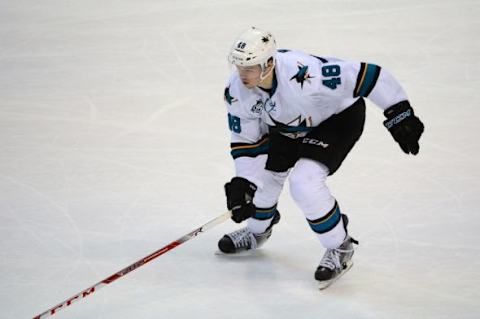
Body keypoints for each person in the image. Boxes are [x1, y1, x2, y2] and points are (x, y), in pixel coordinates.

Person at [218, 27, 424, 288]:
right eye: (239, 66)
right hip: (287, 125)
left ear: (269, 63)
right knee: (261, 184)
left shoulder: (305, 74)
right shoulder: (237, 91)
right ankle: (258, 230)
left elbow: (369, 75)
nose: (242, 74)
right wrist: (244, 182)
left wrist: (399, 111)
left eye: (250, 67)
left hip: (336, 121)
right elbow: (248, 142)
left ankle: (340, 246)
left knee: (305, 182)